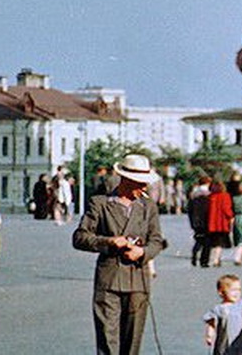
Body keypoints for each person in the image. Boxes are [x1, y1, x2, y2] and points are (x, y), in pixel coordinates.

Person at [72, 152, 168, 355]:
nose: (144, 188)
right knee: (108, 339)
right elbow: (80, 237)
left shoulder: (148, 206)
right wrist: (109, 242)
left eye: (145, 183)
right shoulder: (100, 203)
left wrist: (142, 252)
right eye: (139, 183)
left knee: (132, 342)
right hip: (109, 281)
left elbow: (157, 241)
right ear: (125, 179)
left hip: (138, 281)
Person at [203, 273, 242, 355]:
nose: (237, 293)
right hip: (225, 344)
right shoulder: (218, 309)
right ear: (221, 292)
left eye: (239, 290)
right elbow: (211, 322)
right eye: (233, 290)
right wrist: (209, 334)